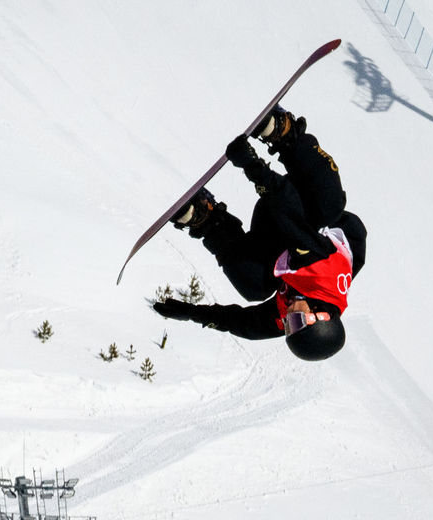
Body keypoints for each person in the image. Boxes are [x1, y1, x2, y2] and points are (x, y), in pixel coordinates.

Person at [152, 106, 367, 361]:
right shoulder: (321, 271)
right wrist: (252, 165)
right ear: (319, 314)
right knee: (329, 204)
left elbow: (245, 325)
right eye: (296, 321)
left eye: (288, 328)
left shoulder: (291, 312)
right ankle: (286, 135)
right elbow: (287, 210)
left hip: (280, 233)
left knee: (253, 287)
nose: (287, 320)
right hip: (306, 202)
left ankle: (206, 218)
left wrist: (190, 312)